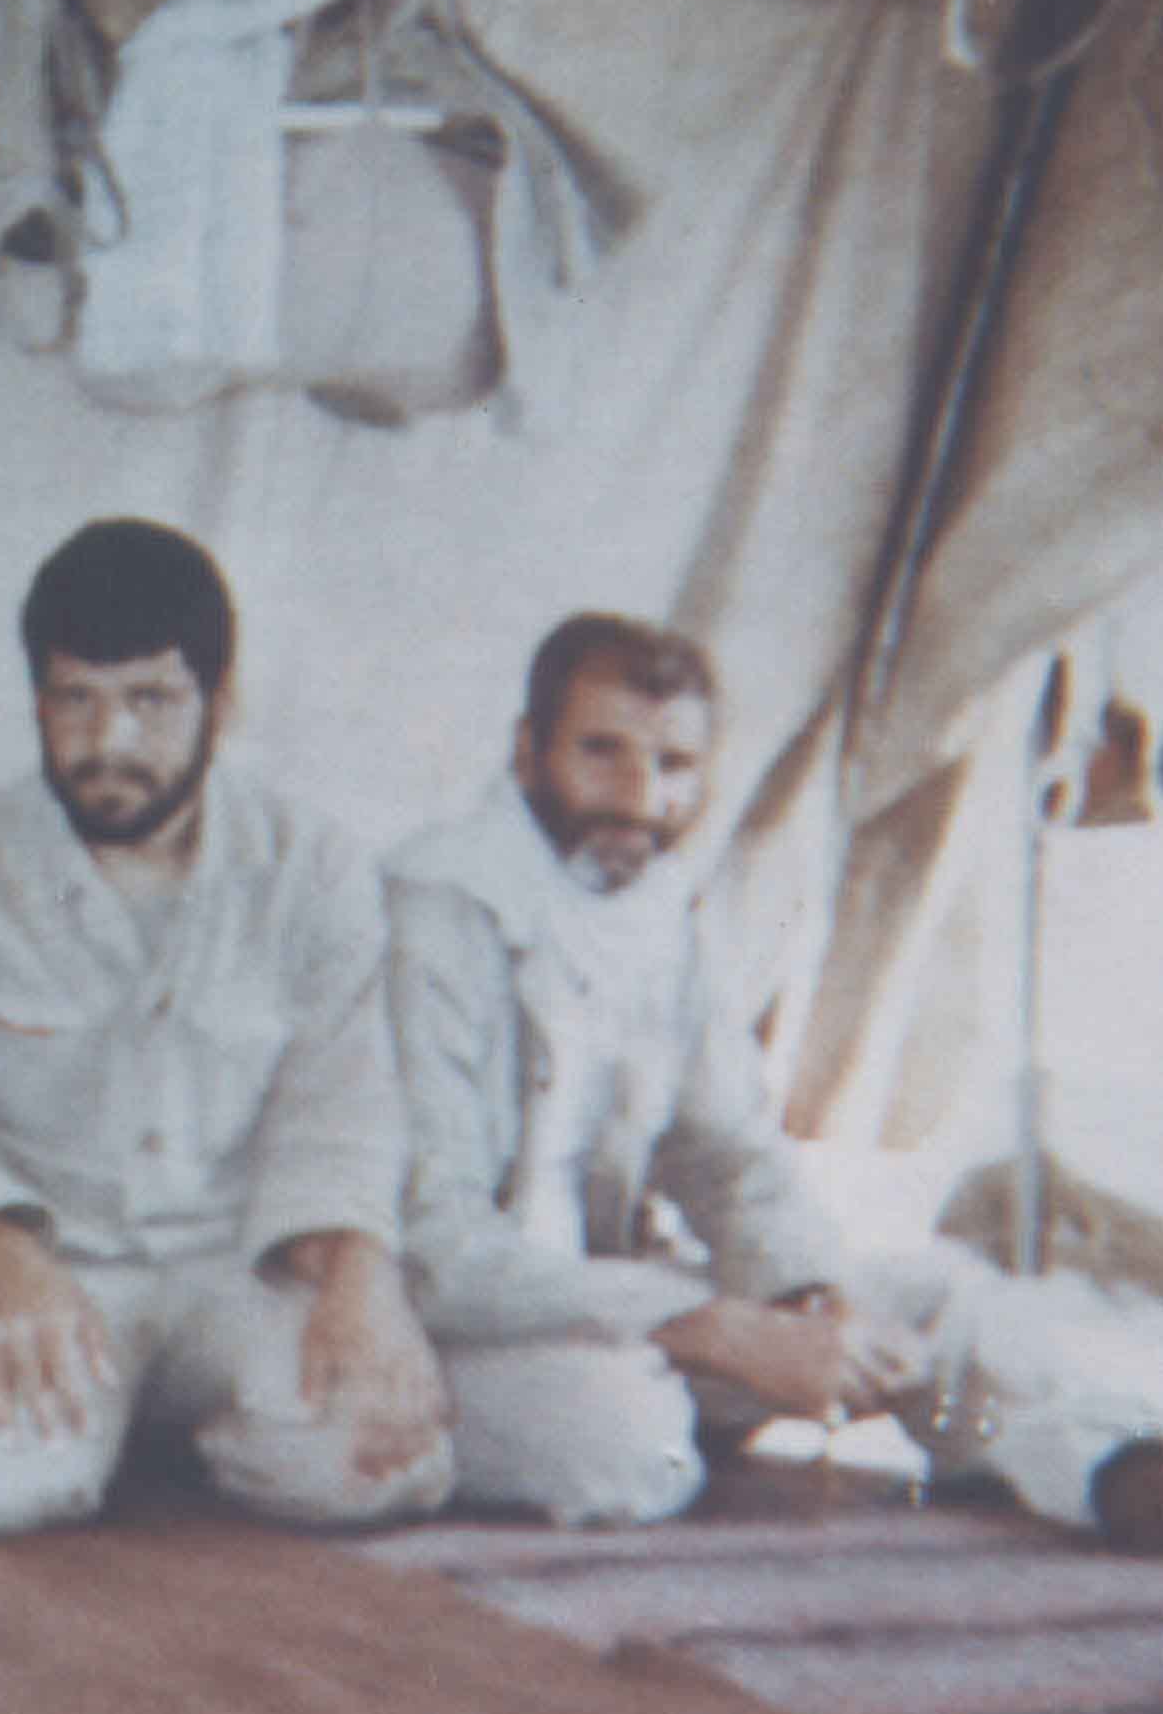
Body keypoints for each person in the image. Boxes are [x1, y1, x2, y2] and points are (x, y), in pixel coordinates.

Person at [385, 611, 1163, 1542]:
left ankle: (1113, 1475)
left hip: (624, 1317)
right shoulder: (432, 911)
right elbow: (436, 1251)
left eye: (673, 764)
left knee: (940, 1303)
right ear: (527, 752)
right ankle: (647, 1414)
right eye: (601, 751)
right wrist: (709, 1327)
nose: (639, 795)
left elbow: (731, 1160)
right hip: (445, 1328)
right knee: (622, 1444)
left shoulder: (661, 910)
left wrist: (809, 1300)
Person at [0, 519, 453, 1535]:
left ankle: (165, 1422)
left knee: (377, 1460)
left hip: (236, 1272)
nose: (108, 743)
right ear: (35, 699)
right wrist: (4, 1264)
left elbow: (342, 1106)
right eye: (74, 700)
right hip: (47, 1272)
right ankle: (89, 1417)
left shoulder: (311, 865)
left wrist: (362, 1285)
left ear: (221, 700)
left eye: (149, 701)